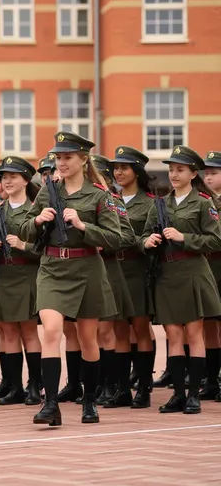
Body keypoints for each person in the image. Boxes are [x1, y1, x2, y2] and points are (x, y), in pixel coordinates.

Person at [20, 131, 121, 426]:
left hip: (87, 269)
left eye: (67, 157)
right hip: (52, 267)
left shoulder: (99, 196)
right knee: (51, 332)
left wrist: (81, 224)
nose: (61, 163)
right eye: (58, 158)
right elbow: (25, 229)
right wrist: (38, 220)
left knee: (88, 339)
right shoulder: (47, 190)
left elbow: (115, 238)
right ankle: (50, 404)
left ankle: (90, 401)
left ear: (83, 159)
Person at [140, 145, 221, 414]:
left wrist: (184, 238)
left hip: (192, 271)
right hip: (167, 273)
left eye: (180, 170)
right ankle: (178, 394)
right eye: (171, 170)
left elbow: (215, 239)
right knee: (173, 335)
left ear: (192, 173)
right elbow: (142, 235)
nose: (174, 174)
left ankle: (195, 394)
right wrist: (148, 241)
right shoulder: (160, 203)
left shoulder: (203, 203)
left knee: (194, 332)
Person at [0, 156, 42, 406]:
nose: (8, 181)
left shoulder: (36, 210)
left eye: (13, 176)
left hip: (26, 276)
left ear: (25, 180)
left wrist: (23, 245)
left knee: (29, 332)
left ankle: (35, 386)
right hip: (1, 276)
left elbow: (46, 249)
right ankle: (14, 388)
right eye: (5, 177)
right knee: (9, 332)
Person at [107, 146, 156, 409]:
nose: (119, 172)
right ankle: (122, 389)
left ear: (136, 171)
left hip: (137, 270)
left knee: (140, 328)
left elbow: (149, 237)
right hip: (114, 271)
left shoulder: (149, 203)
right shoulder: (110, 200)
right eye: (116, 168)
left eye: (124, 167)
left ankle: (144, 390)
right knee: (119, 330)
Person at [90, 155, 137, 406]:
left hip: (108, 270)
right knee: (91, 332)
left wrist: (102, 242)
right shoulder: (75, 198)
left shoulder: (112, 200)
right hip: (85, 271)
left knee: (106, 331)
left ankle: (114, 386)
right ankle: (99, 384)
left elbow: (127, 236)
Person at [202, 151, 221, 401]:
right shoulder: (203, 201)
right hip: (207, 270)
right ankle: (211, 379)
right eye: (206, 174)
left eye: (214, 174)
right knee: (208, 326)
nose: (208, 178)